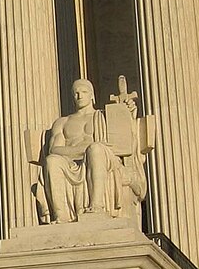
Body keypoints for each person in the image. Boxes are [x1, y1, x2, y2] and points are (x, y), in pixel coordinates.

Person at [40, 79, 132, 223]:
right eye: (76, 93)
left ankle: (97, 206)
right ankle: (61, 215)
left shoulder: (104, 116)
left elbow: (124, 137)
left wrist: (129, 110)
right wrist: (83, 150)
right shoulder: (62, 122)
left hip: (101, 159)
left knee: (95, 150)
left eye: (84, 92)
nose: (79, 96)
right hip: (72, 163)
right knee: (52, 161)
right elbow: (54, 150)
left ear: (92, 95)